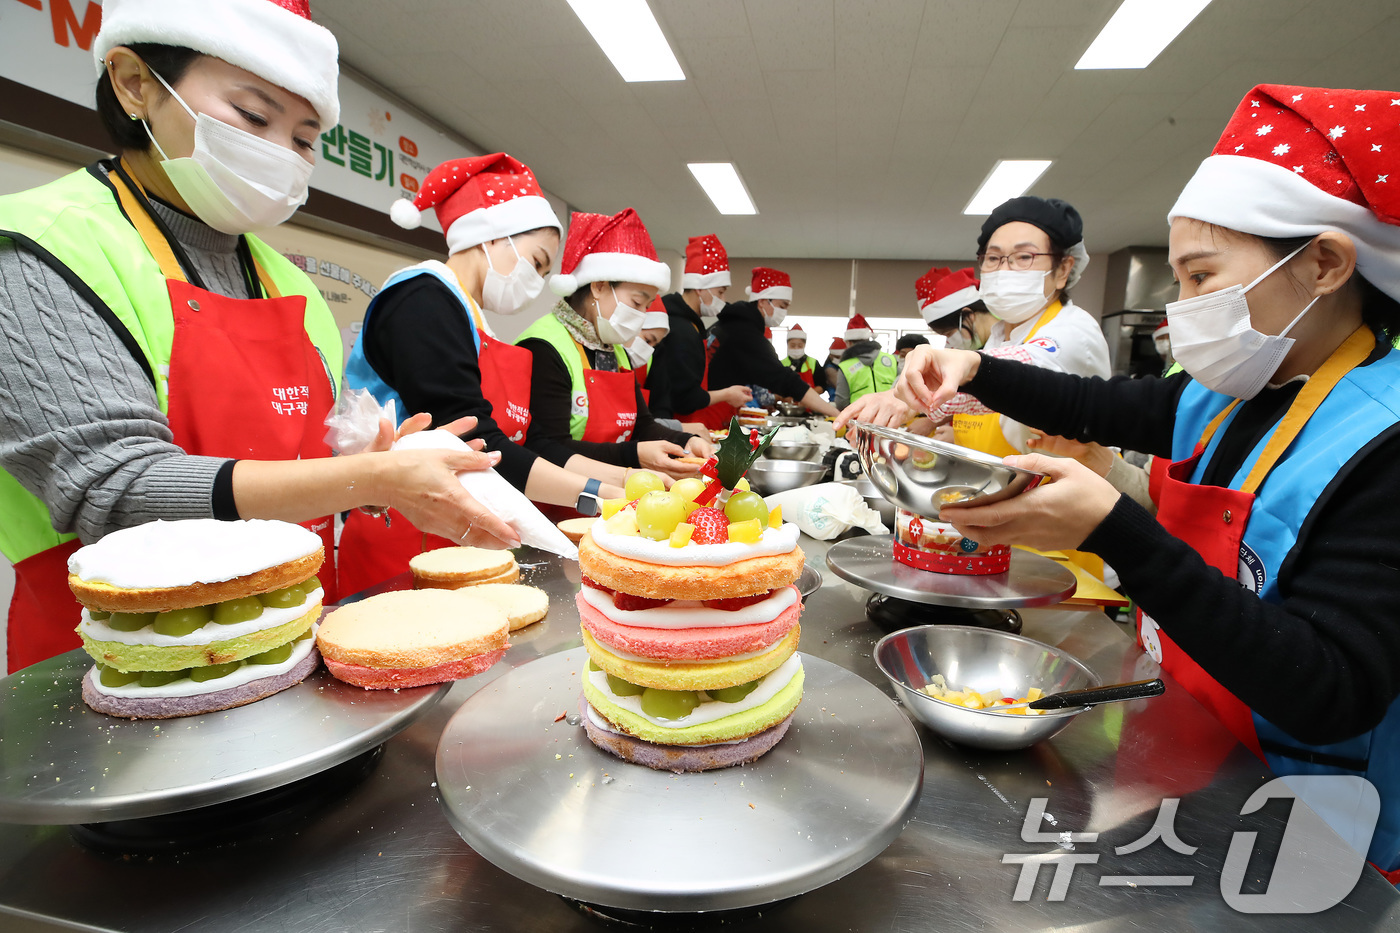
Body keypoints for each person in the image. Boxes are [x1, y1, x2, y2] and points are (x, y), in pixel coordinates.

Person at [886, 84, 1400, 879]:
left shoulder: (1382, 437)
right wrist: (975, 366)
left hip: (1320, 826)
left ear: (1325, 263)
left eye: (1201, 277)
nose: (1180, 306)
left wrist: (1113, 531)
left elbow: (1333, 689)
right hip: (1198, 749)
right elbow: (1096, 403)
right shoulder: (1229, 394)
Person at [0, 0, 516, 672]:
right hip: (120, 669)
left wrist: (370, 460)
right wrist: (366, 477)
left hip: (291, 643)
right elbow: (114, 488)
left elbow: (311, 453)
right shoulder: (41, 247)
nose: (281, 154)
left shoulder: (285, 282)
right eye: (252, 116)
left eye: (303, 139)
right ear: (133, 82)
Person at [337, 154, 627, 594]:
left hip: (462, 532)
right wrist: (595, 493)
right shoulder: (422, 299)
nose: (536, 281)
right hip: (408, 537)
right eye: (536, 260)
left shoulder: (472, 317)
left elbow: (509, 441)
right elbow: (473, 443)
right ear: (493, 236)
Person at [517, 209, 710, 478]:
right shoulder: (544, 346)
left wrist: (685, 441)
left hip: (612, 494)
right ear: (598, 286)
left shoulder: (614, 349)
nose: (641, 316)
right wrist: (633, 456)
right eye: (636, 302)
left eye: (646, 306)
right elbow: (547, 447)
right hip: (557, 500)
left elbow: (641, 424)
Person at [707, 267, 839, 419]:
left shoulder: (731, 323)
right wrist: (836, 414)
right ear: (763, 301)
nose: (784, 312)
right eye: (782, 306)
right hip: (708, 413)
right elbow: (786, 380)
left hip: (714, 407)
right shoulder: (746, 332)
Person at [647, 235, 751, 426]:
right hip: (678, 422)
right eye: (720, 292)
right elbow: (684, 398)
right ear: (700, 289)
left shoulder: (690, 323)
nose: (723, 298)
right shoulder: (681, 330)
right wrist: (727, 394)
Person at [919, 266, 995, 351]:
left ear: (969, 315)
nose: (948, 343)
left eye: (949, 333)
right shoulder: (987, 347)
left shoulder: (1009, 338)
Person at [834, 314, 898, 408]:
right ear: (868, 339)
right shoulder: (891, 359)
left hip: (859, 418)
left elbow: (841, 402)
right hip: (891, 416)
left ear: (849, 342)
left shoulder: (845, 366)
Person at [783, 323, 829, 392]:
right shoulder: (781, 364)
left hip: (810, 401)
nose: (796, 348)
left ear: (804, 345)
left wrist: (808, 396)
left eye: (800, 346)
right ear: (787, 345)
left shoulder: (813, 362)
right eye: (792, 346)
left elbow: (822, 385)